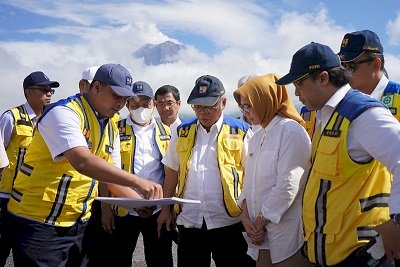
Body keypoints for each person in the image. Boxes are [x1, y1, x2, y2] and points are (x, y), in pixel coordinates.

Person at [5, 63, 163, 266]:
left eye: (125, 99)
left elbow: (108, 174)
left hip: (78, 223)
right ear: (96, 87)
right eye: (116, 95)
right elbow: (82, 161)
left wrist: (138, 204)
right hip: (39, 222)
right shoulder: (62, 113)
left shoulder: (109, 125)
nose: (121, 104)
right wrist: (139, 182)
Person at [276, 42, 400, 266]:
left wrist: (398, 223)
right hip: (329, 251)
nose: (296, 93)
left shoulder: (362, 114)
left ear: (323, 78)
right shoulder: (326, 116)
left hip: (360, 255)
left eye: (299, 83)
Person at [157, 75, 255, 267]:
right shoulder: (183, 132)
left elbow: (252, 178)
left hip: (229, 221)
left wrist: (248, 215)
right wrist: (165, 209)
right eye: (198, 107)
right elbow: (171, 171)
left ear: (224, 102)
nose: (204, 112)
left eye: (210, 106)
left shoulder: (241, 131)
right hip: (190, 221)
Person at [233, 73, 312, 267]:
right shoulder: (257, 135)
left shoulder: (291, 131)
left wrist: (260, 222)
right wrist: (245, 218)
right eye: (242, 107)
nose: (245, 113)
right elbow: (248, 183)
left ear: (264, 101)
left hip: (285, 232)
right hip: (258, 233)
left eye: (248, 106)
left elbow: (288, 185)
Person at [110, 81, 173, 267]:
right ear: (127, 105)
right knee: (119, 258)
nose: (140, 107)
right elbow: (108, 169)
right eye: (135, 103)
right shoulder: (114, 129)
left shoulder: (167, 131)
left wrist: (168, 208)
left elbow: (172, 171)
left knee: (160, 259)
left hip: (157, 209)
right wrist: (106, 210)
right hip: (123, 208)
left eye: (145, 102)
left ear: (153, 103)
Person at [0, 70, 59, 266]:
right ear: (28, 93)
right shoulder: (11, 117)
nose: (49, 93)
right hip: (6, 197)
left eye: (50, 90)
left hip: (33, 201)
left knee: (25, 254)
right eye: (43, 90)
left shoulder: (51, 121)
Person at [301, 30, 400, 138]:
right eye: (341, 65)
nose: (344, 71)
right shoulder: (335, 104)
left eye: (350, 66)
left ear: (376, 64)